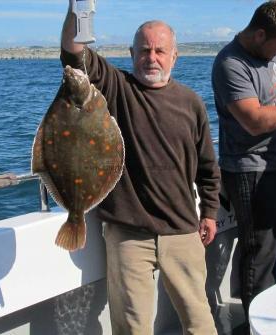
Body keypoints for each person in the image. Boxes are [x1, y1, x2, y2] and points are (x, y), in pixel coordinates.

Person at [60, 1, 220, 334]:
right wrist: (78, 9)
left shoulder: (191, 102)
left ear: (175, 56)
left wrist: (209, 211)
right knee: (132, 327)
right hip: (128, 234)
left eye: (161, 51)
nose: (152, 57)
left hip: (182, 230)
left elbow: (207, 165)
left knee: (200, 321)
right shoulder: (117, 88)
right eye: (144, 50)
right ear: (131, 53)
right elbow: (75, 56)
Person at [212, 0, 276, 333]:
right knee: (260, 254)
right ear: (260, 34)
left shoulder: (275, 53)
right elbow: (256, 122)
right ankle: (256, 328)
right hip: (249, 170)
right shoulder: (230, 64)